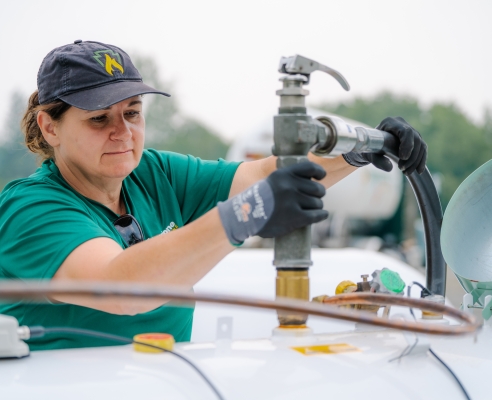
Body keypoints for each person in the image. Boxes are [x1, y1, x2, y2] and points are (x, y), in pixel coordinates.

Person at [0, 40, 427, 350]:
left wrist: (363, 151)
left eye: (132, 113)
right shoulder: (31, 207)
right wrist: (243, 216)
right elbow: (120, 287)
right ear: (50, 126)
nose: (123, 132)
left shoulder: (154, 172)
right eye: (99, 119)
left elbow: (266, 173)